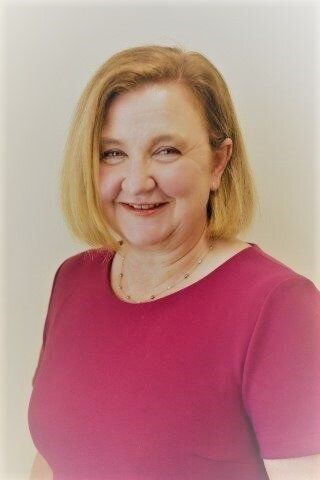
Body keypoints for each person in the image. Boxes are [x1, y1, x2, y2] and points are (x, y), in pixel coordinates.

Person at [28, 45, 320, 480]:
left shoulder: (278, 307)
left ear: (218, 162)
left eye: (166, 151)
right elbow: (53, 458)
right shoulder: (74, 279)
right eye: (112, 153)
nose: (136, 181)